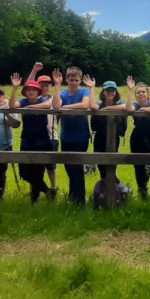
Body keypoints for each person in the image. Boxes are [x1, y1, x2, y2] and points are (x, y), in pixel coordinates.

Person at [51, 67, 92, 206]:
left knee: (78, 168)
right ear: (67, 80)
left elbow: (85, 105)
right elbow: (56, 105)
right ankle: (73, 195)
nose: (73, 82)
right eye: (71, 79)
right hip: (66, 136)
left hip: (81, 136)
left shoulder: (84, 92)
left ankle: (80, 199)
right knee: (69, 167)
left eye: (76, 80)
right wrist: (57, 85)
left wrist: (65, 108)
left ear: (80, 81)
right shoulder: (62, 93)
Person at [11, 75, 52, 203]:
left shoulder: (43, 100)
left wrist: (29, 108)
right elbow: (12, 105)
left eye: (34, 89)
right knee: (24, 171)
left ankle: (34, 199)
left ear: (38, 91)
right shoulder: (23, 101)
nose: (31, 92)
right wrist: (15, 88)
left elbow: (48, 105)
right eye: (28, 90)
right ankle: (48, 191)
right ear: (25, 92)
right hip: (27, 138)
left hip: (42, 139)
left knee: (38, 171)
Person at [25, 63, 60, 199]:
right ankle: (35, 192)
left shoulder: (54, 99)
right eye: (42, 85)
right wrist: (34, 71)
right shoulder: (33, 99)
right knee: (33, 166)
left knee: (51, 166)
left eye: (47, 85)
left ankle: (54, 189)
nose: (45, 87)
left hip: (51, 136)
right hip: (35, 137)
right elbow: (28, 85)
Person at [125, 77, 150, 200]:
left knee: (149, 162)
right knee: (138, 164)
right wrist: (130, 90)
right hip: (137, 137)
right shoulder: (135, 104)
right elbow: (129, 109)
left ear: (148, 94)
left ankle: (144, 186)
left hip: (149, 137)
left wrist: (142, 109)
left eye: (143, 92)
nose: (141, 94)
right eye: (138, 92)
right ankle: (142, 189)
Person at [87, 78, 126, 181]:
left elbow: (126, 107)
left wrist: (108, 108)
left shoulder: (120, 104)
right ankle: (105, 183)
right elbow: (92, 106)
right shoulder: (99, 105)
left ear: (116, 92)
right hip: (100, 137)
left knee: (112, 161)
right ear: (103, 92)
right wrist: (92, 88)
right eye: (108, 90)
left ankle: (113, 183)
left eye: (112, 90)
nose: (110, 92)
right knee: (100, 162)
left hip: (114, 138)